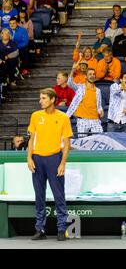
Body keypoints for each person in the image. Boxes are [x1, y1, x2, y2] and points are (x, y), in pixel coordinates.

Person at [27, 88, 72, 241]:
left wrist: (62, 163)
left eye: (44, 98)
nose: (41, 101)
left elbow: (66, 144)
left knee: (59, 195)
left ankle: (61, 229)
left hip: (54, 159)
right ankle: (40, 229)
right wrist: (29, 158)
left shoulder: (63, 117)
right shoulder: (35, 116)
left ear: (52, 100)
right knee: (39, 196)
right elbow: (31, 139)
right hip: (37, 159)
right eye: (40, 98)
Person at [67, 63, 104, 137]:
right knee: (82, 143)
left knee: (100, 139)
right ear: (86, 76)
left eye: (93, 74)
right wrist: (73, 70)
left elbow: (99, 105)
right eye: (90, 74)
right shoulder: (80, 88)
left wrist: (101, 110)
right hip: (82, 120)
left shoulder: (98, 90)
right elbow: (70, 83)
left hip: (95, 119)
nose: (92, 76)